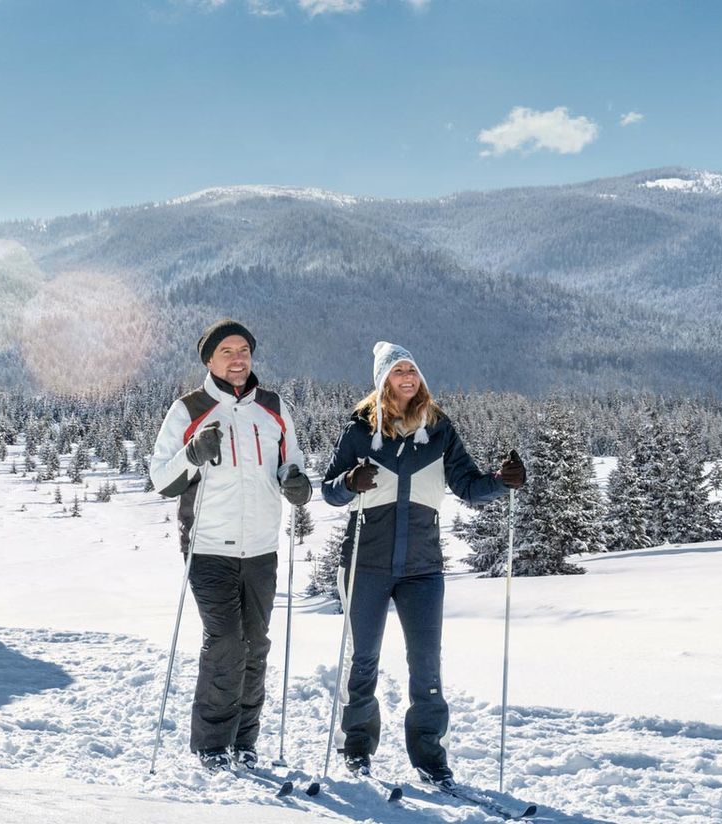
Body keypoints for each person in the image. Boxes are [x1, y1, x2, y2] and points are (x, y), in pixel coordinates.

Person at [319, 342, 526, 787]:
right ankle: (356, 749)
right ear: (383, 380)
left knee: (427, 663)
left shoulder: (439, 430)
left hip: (422, 566)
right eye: (398, 370)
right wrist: (350, 482)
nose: (408, 377)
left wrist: (501, 482)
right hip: (366, 561)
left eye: (412, 369)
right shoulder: (359, 430)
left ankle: (430, 756)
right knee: (363, 659)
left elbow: (468, 486)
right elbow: (329, 491)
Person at [149, 319, 313, 772]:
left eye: (244, 350)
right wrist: (193, 453)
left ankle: (245, 741)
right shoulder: (188, 410)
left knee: (255, 644)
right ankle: (211, 745)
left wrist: (297, 484)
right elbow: (160, 480)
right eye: (227, 351)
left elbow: (290, 465)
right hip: (208, 547)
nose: (237, 358)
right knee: (225, 643)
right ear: (209, 359)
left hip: (261, 546)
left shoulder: (274, 408)